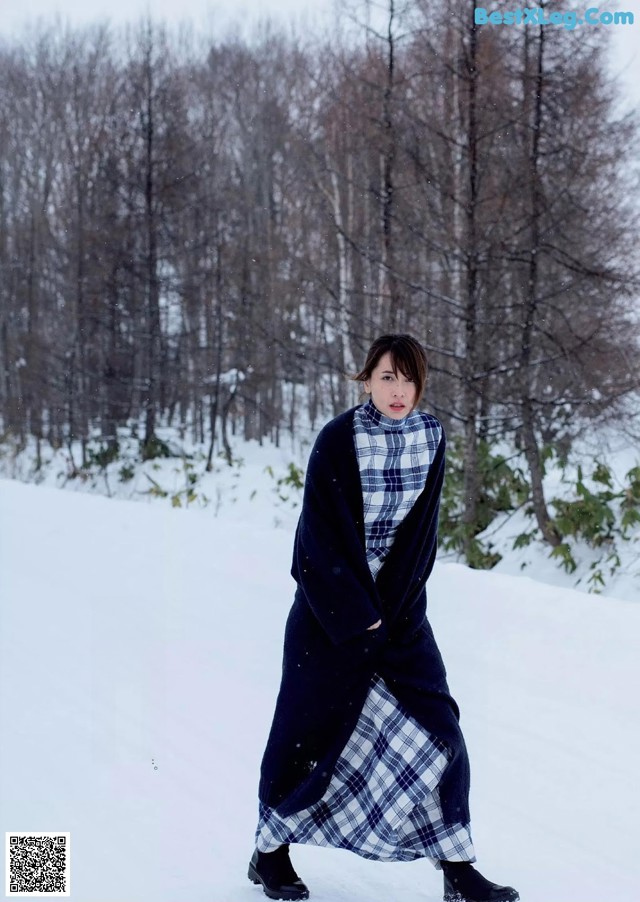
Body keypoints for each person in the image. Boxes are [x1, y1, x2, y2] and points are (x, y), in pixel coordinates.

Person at [248, 334, 519, 902]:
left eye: (409, 379)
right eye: (388, 377)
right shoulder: (338, 438)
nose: (399, 391)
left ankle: (457, 867)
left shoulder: (430, 436)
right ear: (367, 378)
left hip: (399, 613)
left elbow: (422, 536)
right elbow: (317, 539)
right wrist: (358, 616)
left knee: (440, 730)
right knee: (306, 735)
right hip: (329, 614)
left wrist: (390, 615)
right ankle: (270, 852)